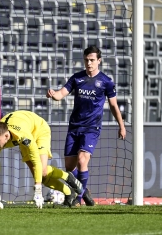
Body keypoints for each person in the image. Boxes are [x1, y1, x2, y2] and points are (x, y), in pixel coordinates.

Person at [46, 46, 126, 206]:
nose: (89, 63)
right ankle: (84, 191)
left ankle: (78, 198)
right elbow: (62, 93)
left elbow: (113, 106)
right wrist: (54, 95)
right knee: (69, 167)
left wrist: (121, 126)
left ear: (99, 61)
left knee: (82, 160)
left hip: (92, 128)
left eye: (92, 60)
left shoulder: (106, 82)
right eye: (86, 60)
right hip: (74, 126)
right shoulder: (77, 78)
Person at [0, 110, 83, 209]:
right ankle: (69, 193)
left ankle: (67, 176)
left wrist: (38, 192)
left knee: (42, 171)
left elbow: (36, 161)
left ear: (6, 136)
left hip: (39, 129)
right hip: (24, 132)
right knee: (42, 178)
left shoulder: (23, 136)